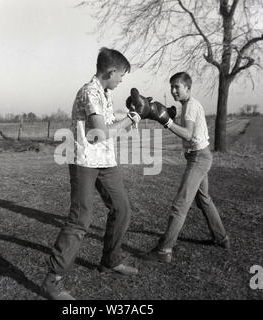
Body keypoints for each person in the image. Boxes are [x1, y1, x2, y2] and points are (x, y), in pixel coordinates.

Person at [41, 48, 141, 300]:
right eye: (121, 75)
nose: (121, 81)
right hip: (85, 161)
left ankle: (110, 260)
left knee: (122, 209)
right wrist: (128, 122)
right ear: (111, 71)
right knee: (80, 220)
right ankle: (52, 281)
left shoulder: (105, 94)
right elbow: (99, 132)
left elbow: (107, 122)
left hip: (105, 161)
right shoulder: (89, 92)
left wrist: (129, 115)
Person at [138, 72, 230, 263]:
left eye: (177, 87)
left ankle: (164, 250)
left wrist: (167, 121)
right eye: (171, 87)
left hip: (198, 158)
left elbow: (188, 134)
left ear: (187, 88)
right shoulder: (190, 105)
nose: (173, 91)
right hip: (200, 156)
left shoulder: (189, 107)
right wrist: (164, 116)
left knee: (180, 205)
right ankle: (221, 238)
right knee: (203, 199)